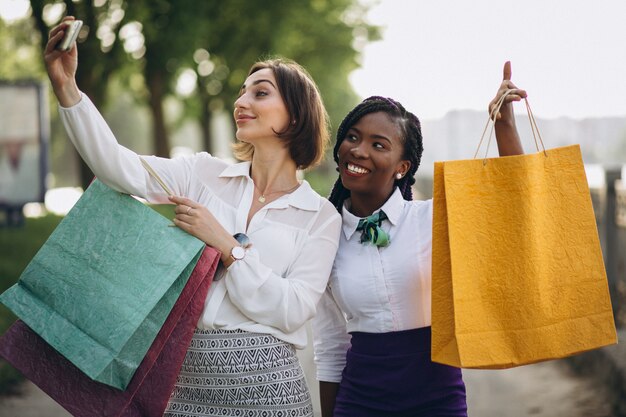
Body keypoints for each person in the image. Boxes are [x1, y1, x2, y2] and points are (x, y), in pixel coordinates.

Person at [45, 16, 342, 417]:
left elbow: (291, 309)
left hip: (271, 389)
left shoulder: (319, 216)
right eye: (241, 93)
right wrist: (67, 87)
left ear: (295, 114)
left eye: (260, 93)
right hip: (185, 383)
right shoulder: (202, 174)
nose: (241, 102)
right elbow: (116, 166)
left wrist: (226, 246)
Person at [312, 62, 526, 417]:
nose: (359, 150)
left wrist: (504, 126)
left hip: (436, 396)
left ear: (402, 167)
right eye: (353, 137)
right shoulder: (324, 237)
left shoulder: (434, 218)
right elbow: (330, 344)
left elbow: (512, 206)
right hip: (359, 400)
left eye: (378, 144)